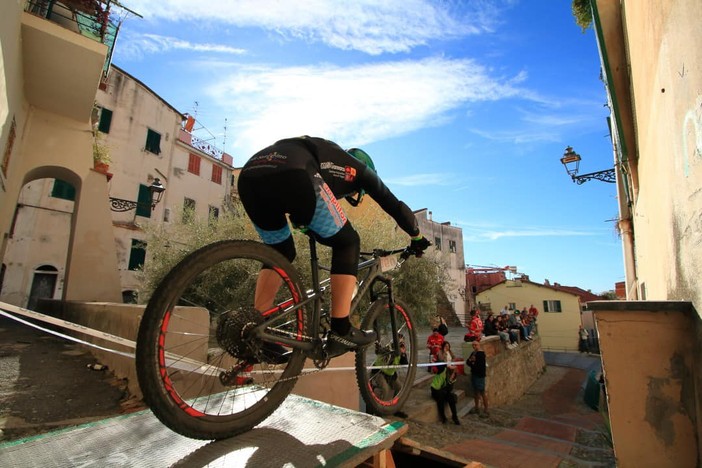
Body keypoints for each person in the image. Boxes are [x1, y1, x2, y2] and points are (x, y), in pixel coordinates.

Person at [238, 136, 431, 362]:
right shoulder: (359, 170)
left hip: (250, 176)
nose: (349, 196)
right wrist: (416, 236)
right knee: (347, 242)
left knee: (282, 251)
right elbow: (393, 204)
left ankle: (257, 328)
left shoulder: (328, 156)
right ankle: (340, 330)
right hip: (296, 172)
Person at [430, 343, 460, 425]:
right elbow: (438, 364)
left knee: (451, 397)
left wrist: (452, 377)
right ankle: (443, 418)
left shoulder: (453, 375)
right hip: (435, 389)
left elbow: (449, 388)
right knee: (441, 397)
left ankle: (455, 417)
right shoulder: (442, 368)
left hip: (443, 389)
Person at [466, 340, 489, 418]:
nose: (474, 346)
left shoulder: (481, 354)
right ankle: (477, 408)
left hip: (479, 376)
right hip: (474, 375)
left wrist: (472, 362)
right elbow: (468, 362)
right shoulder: (473, 353)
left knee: (482, 392)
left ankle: (486, 409)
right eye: (473, 345)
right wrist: (472, 362)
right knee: (476, 392)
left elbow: (479, 366)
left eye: (475, 345)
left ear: (479, 345)